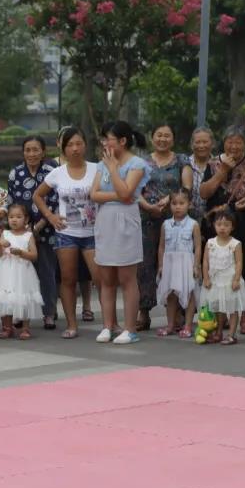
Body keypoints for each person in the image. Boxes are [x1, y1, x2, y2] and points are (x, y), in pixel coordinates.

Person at [198, 126, 245, 335]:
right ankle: (218, 315)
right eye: (230, 141)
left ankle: (244, 314)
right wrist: (223, 171)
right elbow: (204, 192)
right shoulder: (213, 164)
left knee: (244, 267)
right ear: (223, 143)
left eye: (238, 142)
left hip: (243, 223)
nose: (234, 146)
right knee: (216, 268)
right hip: (216, 224)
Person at [35, 127, 99, 339]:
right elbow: (38, 196)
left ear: (85, 146)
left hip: (93, 233)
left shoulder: (97, 169)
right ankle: (71, 324)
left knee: (100, 278)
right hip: (67, 233)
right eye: (70, 145)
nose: (75, 149)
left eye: (78, 144)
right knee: (68, 279)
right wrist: (51, 217)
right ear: (63, 149)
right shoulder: (57, 173)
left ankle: (110, 324)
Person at [91, 120, 150, 345]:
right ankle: (107, 326)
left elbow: (128, 193)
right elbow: (94, 194)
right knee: (106, 278)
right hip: (105, 220)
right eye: (103, 139)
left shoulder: (137, 164)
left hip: (126, 221)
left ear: (123, 141)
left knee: (127, 277)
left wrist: (115, 169)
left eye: (109, 139)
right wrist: (119, 195)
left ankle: (130, 328)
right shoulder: (101, 164)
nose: (105, 143)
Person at [136, 123, 192, 331]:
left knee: (175, 263)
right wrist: (148, 206)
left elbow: (186, 187)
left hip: (175, 220)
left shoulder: (182, 160)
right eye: (158, 135)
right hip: (147, 218)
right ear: (152, 138)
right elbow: (134, 190)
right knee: (145, 265)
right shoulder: (142, 162)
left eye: (167, 136)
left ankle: (176, 311)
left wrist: (168, 200)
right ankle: (144, 311)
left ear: (173, 139)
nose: (162, 139)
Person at [8, 136, 57, 329]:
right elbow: (12, 203)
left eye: (36, 150)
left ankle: (49, 313)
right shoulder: (15, 174)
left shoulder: (51, 173)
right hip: (20, 231)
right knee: (20, 273)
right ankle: (20, 313)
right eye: (28, 150)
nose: (31, 154)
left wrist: (37, 227)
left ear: (43, 152)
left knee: (47, 272)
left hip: (46, 230)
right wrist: (22, 228)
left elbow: (54, 202)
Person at [0, 204, 42, 340]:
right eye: (11, 217)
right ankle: (7, 326)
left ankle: (25, 327)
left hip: (22, 271)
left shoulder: (28, 235)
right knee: (5, 296)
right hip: (5, 270)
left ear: (26, 219)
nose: (14, 220)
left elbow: (34, 256)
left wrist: (22, 253)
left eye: (18, 217)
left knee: (24, 296)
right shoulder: (5, 234)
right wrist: (0, 244)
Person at [155, 190, 201, 339]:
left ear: (189, 204)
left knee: (189, 293)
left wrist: (196, 265)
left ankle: (187, 325)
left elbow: (198, 246)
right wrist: (161, 265)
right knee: (171, 295)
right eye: (174, 203)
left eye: (182, 203)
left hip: (186, 263)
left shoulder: (193, 224)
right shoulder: (165, 224)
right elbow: (161, 246)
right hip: (170, 263)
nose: (178, 207)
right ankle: (170, 324)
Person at [200, 209, 245, 345]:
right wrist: (206, 277)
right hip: (215, 280)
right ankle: (218, 332)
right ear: (214, 225)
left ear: (232, 227)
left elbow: (239, 262)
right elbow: (205, 262)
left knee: (232, 308)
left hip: (229, 280)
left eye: (226, 225)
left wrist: (236, 279)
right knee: (217, 307)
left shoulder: (235, 244)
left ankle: (231, 334)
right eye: (219, 224)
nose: (222, 228)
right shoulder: (210, 243)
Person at [188, 127, 214, 227]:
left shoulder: (219, 165)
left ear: (212, 143)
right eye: (197, 142)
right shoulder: (184, 164)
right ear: (191, 145)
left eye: (205, 142)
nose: (201, 145)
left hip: (213, 222)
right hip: (187, 221)